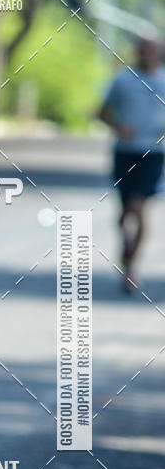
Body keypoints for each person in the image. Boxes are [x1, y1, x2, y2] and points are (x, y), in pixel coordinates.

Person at [98, 35, 165, 292]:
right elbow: (102, 112)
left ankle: (132, 266)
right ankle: (126, 248)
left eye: (151, 49)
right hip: (125, 152)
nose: (146, 54)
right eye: (142, 49)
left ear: (159, 52)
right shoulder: (123, 81)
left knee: (139, 206)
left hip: (154, 153)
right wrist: (117, 126)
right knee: (125, 211)